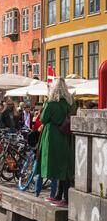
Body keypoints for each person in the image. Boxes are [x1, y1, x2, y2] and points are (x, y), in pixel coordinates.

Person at [36, 78, 75, 207]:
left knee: (56, 165)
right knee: (64, 166)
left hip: (54, 137)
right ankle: (61, 196)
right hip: (67, 136)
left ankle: (64, 197)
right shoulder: (70, 103)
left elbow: (43, 118)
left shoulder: (51, 103)